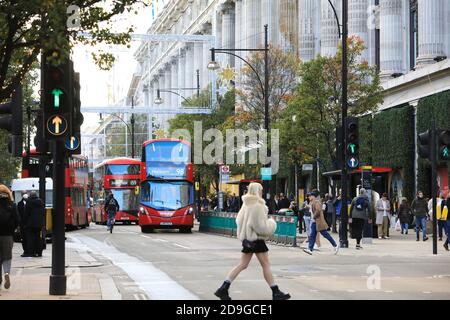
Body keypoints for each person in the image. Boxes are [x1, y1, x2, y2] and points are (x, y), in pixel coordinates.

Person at [214, 183, 290, 300]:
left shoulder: (246, 204)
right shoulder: (258, 205)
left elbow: (238, 220)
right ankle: (275, 292)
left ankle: (223, 288)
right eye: (261, 190)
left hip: (248, 240)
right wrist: (271, 224)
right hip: (257, 239)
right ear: (257, 191)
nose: (262, 192)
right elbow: (260, 227)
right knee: (265, 265)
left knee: (242, 265)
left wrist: (245, 234)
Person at [303, 190, 339, 255]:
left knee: (325, 234)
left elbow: (318, 210)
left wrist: (313, 217)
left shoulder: (316, 202)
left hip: (317, 222)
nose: (309, 197)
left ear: (313, 196)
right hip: (315, 222)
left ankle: (335, 245)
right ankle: (310, 249)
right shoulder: (314, 202)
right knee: (313, 235)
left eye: (310, 196)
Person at [0, 184, 19, 290]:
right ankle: (6, 273)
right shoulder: (12, 205)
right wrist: (13, 230)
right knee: (7, 256)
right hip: (8, 235)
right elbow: (17, 220)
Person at [24, 191, 45, 257]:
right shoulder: (41, 202)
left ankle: (31, 252)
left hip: (30, 224)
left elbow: (26, 213)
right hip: (39, 224)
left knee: (30, 238)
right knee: (38, 238)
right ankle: (39, 252)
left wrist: (24, 223)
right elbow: (43, 212)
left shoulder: (29, 202)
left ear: (30, 195)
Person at [17, 191, 29, 257]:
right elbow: (18, 214)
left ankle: (29, 250)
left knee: (29, 237)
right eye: (23, 194)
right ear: (22, 195)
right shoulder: (19, 204)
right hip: (22, 224)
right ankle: (25, 250)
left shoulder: (30, 202)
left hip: (29, 224)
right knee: (23, 238)